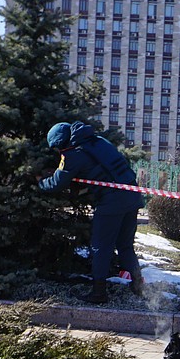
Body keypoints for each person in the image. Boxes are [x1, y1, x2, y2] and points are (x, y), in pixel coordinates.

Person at [38, 122, 146, 304]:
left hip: (112, 201)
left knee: (100, 247)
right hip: (132, 195)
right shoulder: (98, 140)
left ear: (62, 142)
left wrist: (40, 182)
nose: (58, 152)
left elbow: (57, 183)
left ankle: (99, 293)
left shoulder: (73, 153)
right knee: (125, 244)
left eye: (57, 148)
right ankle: (138, 287)